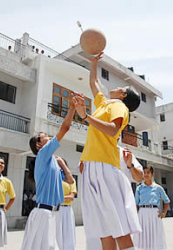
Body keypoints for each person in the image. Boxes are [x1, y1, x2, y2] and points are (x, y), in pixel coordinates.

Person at [73, 52, 141, 250]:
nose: (116, 87)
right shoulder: (104, 103)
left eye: (121, 87)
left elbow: (112, 131)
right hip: (91, 168)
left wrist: (85, 116)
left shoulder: (120, 107)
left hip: (105, 167)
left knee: (119, 228)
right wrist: (94, 62)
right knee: (104, 231)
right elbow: (94, 83)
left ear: (124, 95)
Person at [21, 95, 75, 250]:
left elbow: (70, 181)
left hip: (56, 214)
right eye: (43, 136)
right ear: (39, 144)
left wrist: (62, 165)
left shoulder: (53, 162)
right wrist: (71, 107)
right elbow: (65, 128)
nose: (47, 135)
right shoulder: (43, 154)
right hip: (44, 213)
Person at [81, 146, 143, 250]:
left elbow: (139, 178)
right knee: (106, 236)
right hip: (101, 203)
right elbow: (82, 170)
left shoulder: (123, 152)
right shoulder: (93, 149)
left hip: (119, 202)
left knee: (122, 235)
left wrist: (130, 165)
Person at [134, 166, 170, 250]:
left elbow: (167, 201)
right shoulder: (139, 188)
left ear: (152, 174)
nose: (146, 174)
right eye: (144, 173)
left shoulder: (158, 188)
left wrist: (164, 213)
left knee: (155, 236)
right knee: (144, 237)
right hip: (142, 214)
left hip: (154, 213)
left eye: (148, 172)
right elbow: (136, 204)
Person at [58, 158, 77, 250]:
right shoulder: (54, 179)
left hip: (67, 210)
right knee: (57, 235)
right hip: (56, 210)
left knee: (69, 236)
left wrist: (57, 198)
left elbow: (71, 197)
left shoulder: (71, 180)